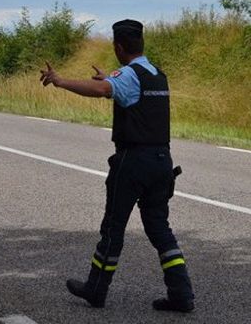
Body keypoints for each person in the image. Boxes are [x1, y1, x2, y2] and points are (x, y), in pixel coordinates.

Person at [39, 19, 194, 312]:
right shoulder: (157, 75)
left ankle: (96, 290)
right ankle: (181, 293)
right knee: (160, 228)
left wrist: (60, 81)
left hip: (133, 162)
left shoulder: (128, 75)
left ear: (118, 47)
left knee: (113, 229)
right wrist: (108, 80)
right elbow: (121, 90)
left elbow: (102, 91)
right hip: (162, 161)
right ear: (141, 45)